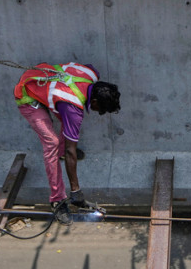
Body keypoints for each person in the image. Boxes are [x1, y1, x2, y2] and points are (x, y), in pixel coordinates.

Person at [14, 62, 120, 224]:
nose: (100, 113)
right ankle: (57, 200)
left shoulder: (92, 73)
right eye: (101, 110)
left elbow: (82, 68)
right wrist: (76, 191)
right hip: (27, 94)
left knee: (68, 124)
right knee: (52, 143)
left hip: (42, 79)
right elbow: (72, 151)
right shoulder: (73, 109)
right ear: (96, 101)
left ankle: (62, 152)